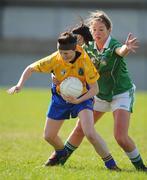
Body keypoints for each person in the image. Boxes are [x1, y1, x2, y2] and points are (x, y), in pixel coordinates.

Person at [7, 32, 120, 170]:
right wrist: (19, 85)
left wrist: (78, 100)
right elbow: (30, 68)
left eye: (67, 53)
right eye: (61, 52)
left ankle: (111, 165)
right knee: (49, 136)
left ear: (74, 49)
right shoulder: (56, 58)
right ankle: (62, 153)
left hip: (83, 98)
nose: (63, 56)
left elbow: (95, 89)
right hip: (60, 98)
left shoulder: (84, 61)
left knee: (90, 133)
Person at [59, 11, 147, 171]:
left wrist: (126, 47)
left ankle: (141, 167)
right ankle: (58, 160)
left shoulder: (113, 45)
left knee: (120, 137)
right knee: (81, 129)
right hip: (99, 94)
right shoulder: (87, 47)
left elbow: (121, 51)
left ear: (109, 30)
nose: (97, 33)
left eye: (101, 29)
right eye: (94, 29)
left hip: (120, 93)